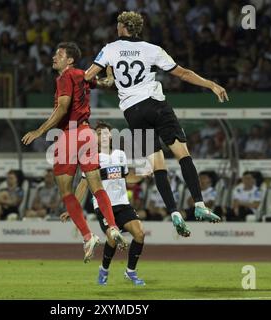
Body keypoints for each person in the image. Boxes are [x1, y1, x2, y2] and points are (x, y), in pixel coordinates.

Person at [84, 11, 228, 238]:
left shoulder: (110, 48)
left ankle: (173, 212)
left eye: (118, 25)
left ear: (122, 27)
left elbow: (89, 75)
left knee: (158, 165)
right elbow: (183, 73)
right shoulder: (152, 49)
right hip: (155, 105)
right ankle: (199, 204)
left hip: (133, 112)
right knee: (182, 154)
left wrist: (103, 80)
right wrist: (210, 84)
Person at [21, 42, 127, 263]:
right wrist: (109, 73)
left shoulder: (64, 78)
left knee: (66, 192)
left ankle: (88, 236)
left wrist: (39, 130)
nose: (54, 57)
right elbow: (108, 83)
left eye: (59, 54)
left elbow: (61, 108)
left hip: (69, 136)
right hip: (87, 133)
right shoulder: (82, 75)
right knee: (96, 185)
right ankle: (113, 227)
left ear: (69, 60)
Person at [61, 121, 146, 285]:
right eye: (99, 133)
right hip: (104, 206)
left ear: (111, 135)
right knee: (112, 238)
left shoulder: (120, 154)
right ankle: (104, 270)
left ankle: (131, 272)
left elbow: (127, 178)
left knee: (140, 234)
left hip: (123, 203)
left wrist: (143, 175)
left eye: (106, 132)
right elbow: (83, 185)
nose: (103, 135)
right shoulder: (92, 158)